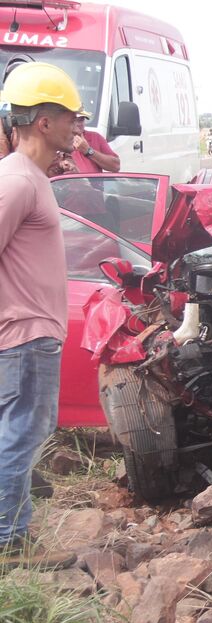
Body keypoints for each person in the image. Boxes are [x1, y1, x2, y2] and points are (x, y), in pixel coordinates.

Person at [0, 62, 83, 569]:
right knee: (23, 432)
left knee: (22, 429)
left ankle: (15, 530)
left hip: (32, 333)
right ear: (42, 123)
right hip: (25, 334)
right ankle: (10, 543)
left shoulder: (30, 176)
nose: (78, 126)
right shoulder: (16, 182)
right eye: (70, 117)